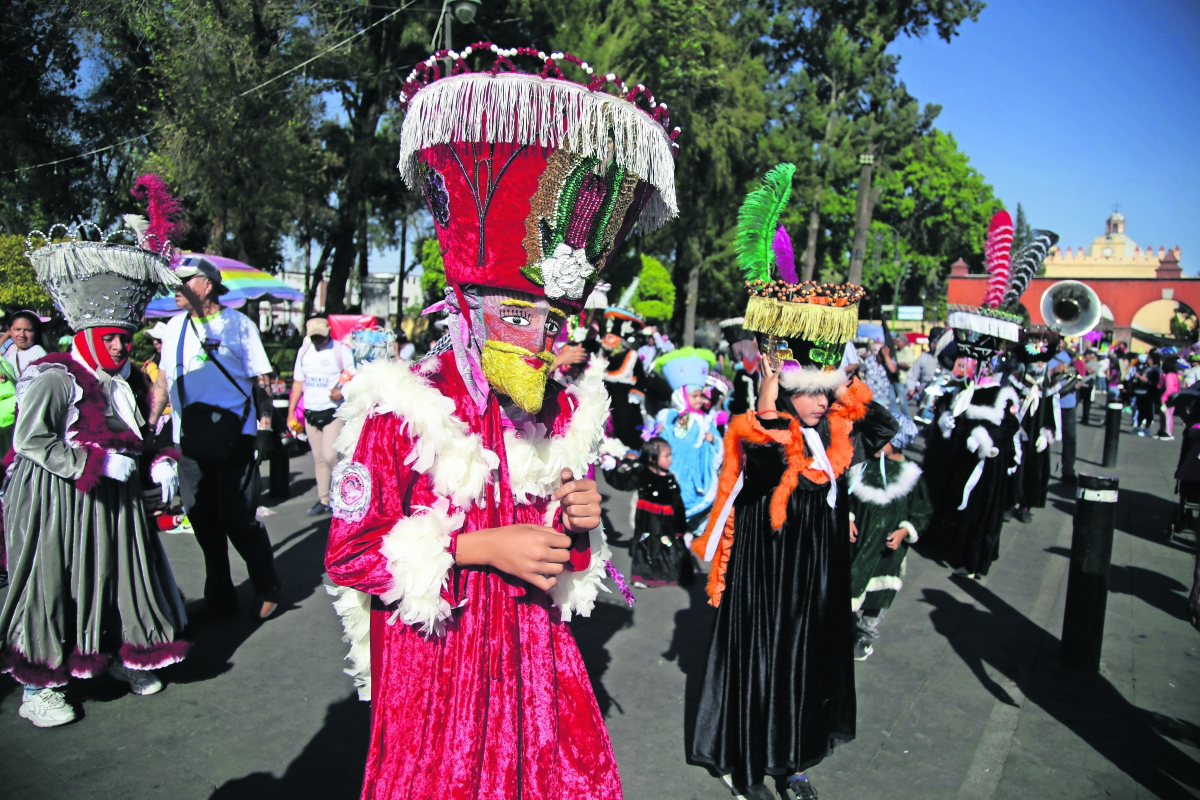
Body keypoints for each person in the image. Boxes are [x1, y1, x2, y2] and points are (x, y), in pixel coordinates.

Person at [322, 44, 678, 799]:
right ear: (468, 312)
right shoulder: (398, 409)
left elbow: (571, 570)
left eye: (555, 323)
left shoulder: (558, 417)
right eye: (520, 315)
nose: (542, 341)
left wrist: (584, 525)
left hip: (536, 682)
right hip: (439, 690)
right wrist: (481, 545)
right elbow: (349, 555)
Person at [690, 166, 895, 800]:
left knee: (810, 663)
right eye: (805, 390)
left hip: (821, 566)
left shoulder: (840, 428)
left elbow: (883, 424)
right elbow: (758, 464)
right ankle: (752, 763)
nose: (814, 401)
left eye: (822, 389)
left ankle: (795, 760)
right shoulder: (764, 431)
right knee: (768, 660)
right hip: (771, 566)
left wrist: (846, 378)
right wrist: (776, 390)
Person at [1, 205, 189, 727]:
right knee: (54, 584)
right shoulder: (53, 377)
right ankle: (41, 686)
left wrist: (160, 461)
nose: (117, 344)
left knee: (119, 579)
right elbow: (31, 441)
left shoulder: (125, 380)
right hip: (58, 502)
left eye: (123, 337)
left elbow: (136, 435)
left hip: (114, 504)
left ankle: (122, 656)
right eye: (108, 337)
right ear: (85, 336)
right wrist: (95, 462)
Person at [149, 256, 281, 622]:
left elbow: (261, 380)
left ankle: (267, 584)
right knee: (202, 518)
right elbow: (163, 381)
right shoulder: (174, 327)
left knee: (237, 517)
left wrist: (266, 428)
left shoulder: (239, 325)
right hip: (189, 438)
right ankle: (219, 593)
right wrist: (149, 422)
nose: (177, 288)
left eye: (186, 281)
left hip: (234, 436)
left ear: (207, 284)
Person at [847, 422, 932, 661]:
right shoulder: (863, 467)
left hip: (887, 550)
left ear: (896, 443)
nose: (873, 443)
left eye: (881, 439)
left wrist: (904, 532)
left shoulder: (911, 476)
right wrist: (849, 518)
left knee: (879, 593)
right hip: (858, 541)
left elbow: (922, 511)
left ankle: (865, 632)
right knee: (850, 581)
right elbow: (847, 496)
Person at [288, 317, 356, 515]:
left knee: (330, 455)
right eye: (314, 337)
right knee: (318, 458)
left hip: (333, 410)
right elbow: (298, 382)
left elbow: (353, 375)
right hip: (311, 410)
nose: (318, 340)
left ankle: (342, 495)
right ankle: (324, 499)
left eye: (320, 336)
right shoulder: (304, 352)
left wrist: (341, 391)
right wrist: (291, 411)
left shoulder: (339, 350)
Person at [603, 437, 692, 588]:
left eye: (671, 455)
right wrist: (609, 469)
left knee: (669, 546)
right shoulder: (641, 473)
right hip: (646, 520)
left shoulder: (670, 479)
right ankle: (642, 575)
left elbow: (678, 504)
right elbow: (622, 482)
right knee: (644, 546)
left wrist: (681, 528)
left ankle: (669, 573)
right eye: (666, 456)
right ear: (652, 458)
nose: (670, 459)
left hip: (667, 522)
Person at [653, 348, 722, 527]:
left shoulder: (705, 420)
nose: (700, 400)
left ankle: (683, 536)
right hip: (672, 470)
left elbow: (718, 443)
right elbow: (658, 441)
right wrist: (658, 433)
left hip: (693, 475)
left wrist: (713, 440)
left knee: (686, 510)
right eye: (695, 396)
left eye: (701, 395)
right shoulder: (668, 416)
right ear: (681, 396)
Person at [1048, 341, 1080, 481]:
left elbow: (1082, 372)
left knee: (1070, 438)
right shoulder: (1045, 354)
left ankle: (1068, 471)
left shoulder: (1071, 356)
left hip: (1068, 404)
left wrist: (1079, 381)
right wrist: (1054, 371)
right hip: (1051, 402)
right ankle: (1042, 470)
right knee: (1046, 437)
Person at [2, 310, 49, 378]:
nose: (22, 335)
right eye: (18, 329)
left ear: (36, 332)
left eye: (28, 330)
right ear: (9, 330)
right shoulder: (11, 350)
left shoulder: (38, 353)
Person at [1157, 355, 1181, 441]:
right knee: (1164, 415)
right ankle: (1162, 430)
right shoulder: (1173, 375)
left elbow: (1169, 389)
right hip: (1171, 398)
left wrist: (1163, 399)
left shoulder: (1170, 375)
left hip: (1168, 399)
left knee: (1167, 415)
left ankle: (1167, 432)